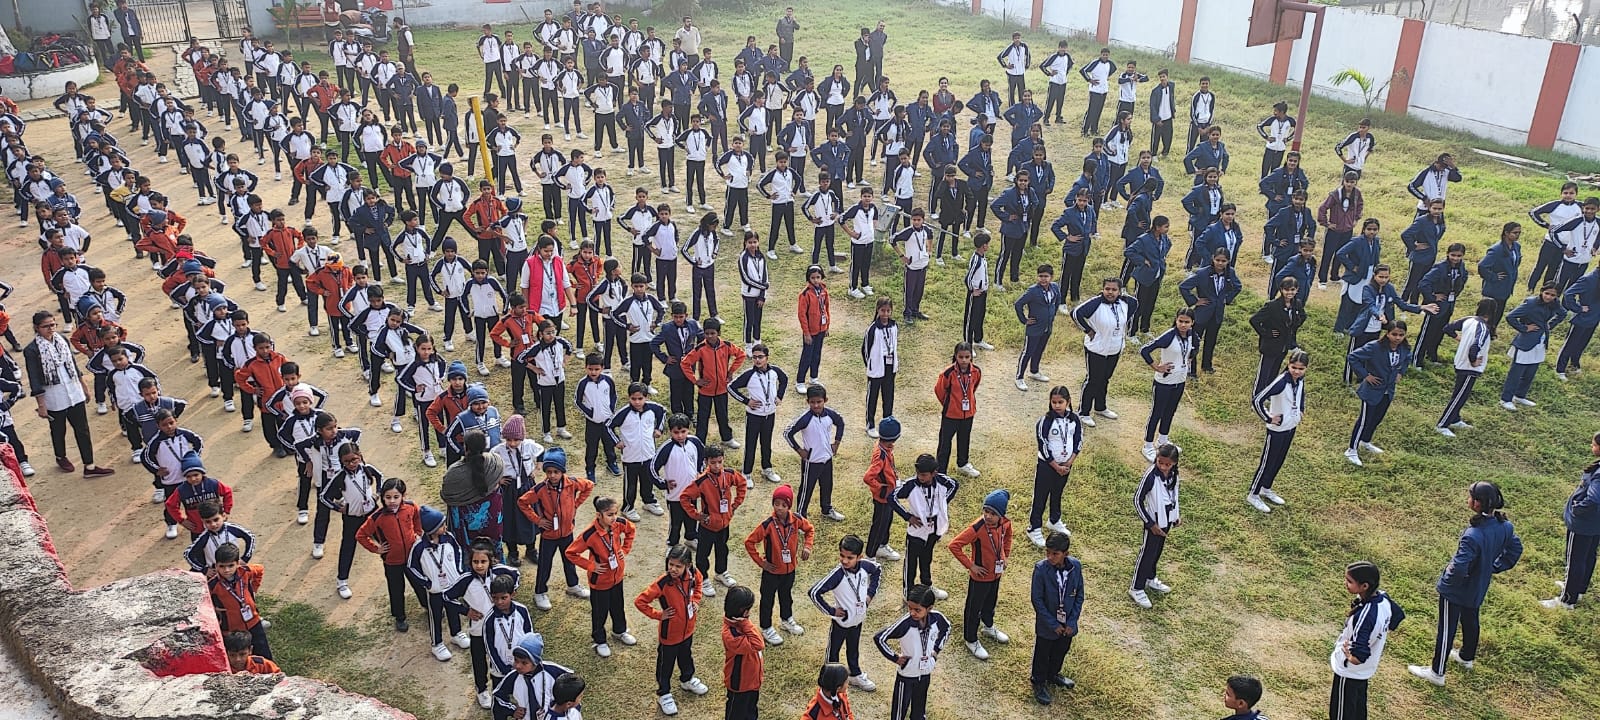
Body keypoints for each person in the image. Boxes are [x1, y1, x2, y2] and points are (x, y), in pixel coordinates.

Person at [1408, 482, 1523, 686]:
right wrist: (1493, 567)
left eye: (1470, 496)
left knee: (1447, 629)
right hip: (1478, 586)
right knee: (1471, 620)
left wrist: (1447, 583)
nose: (1467, 499)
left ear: (1477, 503)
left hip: (1456, 590)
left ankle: (1437, 673)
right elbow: (1515, 549)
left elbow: (1460, 566)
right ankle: (1466, 656)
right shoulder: (1505, 526)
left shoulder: (1473, 535)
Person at [23, 311, 113, 476]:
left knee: (82, 429)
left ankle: (89, 466)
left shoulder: (62, 340)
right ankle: (61, 456)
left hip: (73, 388)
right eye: (45, 326)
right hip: (53, 394)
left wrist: (83, 386)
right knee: (58, 429)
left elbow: (72, 364)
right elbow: (34, 378)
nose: (50, 329)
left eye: (53, 324)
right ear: (37, 328)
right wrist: (41, 404)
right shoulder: (32, 350)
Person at [635, 543, 710, 715]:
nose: (673, 569)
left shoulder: (694, 574)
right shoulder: (663, 583)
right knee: (665, 664)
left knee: (686, 655)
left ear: (688, 565)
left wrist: (696, 600)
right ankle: (664, 693)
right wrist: (658, 615)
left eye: (678, 566)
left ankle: (687, 679)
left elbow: (699, 584)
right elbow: (640, 601)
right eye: (671, 564)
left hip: (688, 629)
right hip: (669, 633)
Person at [1330, 561, 1406, 720]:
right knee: (1358, 708)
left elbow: (1359, 656)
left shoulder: (1364, 616)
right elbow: (1397, 616)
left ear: (1364, 586)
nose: (1345, 583)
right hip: (1365, 670)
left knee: (1341, 713)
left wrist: (1349, 656)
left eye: (1349, 581)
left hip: (1349, 671)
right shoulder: (1383, 599)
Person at [566, 495, 637, 657]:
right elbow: (571, 553)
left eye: (615, 513)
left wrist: (625, 549)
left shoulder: (619, 523)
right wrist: (591, 566)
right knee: (600, 612)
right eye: (609, 515)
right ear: (599, 515)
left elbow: (631, 530)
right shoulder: (589, 534)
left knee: (618, 606)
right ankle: (599, 640)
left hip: (617, 576)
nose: (614, 518)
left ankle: (619, 631)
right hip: (600, 581)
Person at [744, 483, 815, 645]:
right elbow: (749, 542)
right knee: (767, 600)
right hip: (772, 571)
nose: (780, 508)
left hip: (790, 570)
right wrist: (761, 563)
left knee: (786, 595)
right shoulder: (768, 524)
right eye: (776, 504)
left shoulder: (796, 519)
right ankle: (766, 627)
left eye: (784, 505)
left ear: (789, 506)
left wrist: (807, 546)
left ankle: (786, 619)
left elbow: (810, 529)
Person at [809, 535, 882, 692]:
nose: (844, 560)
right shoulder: (838, 574)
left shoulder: (865, 566)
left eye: (850, 558)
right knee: (833, 653)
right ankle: (830, 682)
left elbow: (877, 570)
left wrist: (870, 595)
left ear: (859, 557)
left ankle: (855, 674)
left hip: (858, 620)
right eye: (842, 556)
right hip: (840, 623)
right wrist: (831, 611)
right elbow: (814, 592)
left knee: (853, 649)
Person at [356, 478, 427, 632]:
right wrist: (376, 549)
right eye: (388, 497)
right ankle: (400, 617)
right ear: (383, 497)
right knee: (396, 589)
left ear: (403, 496)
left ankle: (428, 605)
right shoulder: (377, 517)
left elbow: (417, 517)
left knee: (420, 582)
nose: (392, 501)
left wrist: (418, 533)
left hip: (412, 557)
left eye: (396, 497)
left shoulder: (410, 507)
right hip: (392, 561)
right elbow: (361, 535)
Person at [949, 489, 1012, 661]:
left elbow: (1008, 538)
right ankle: (970, 639)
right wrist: (971, 566)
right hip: (980, 577)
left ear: (1001, 515)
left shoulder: (1005, 523)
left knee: (991, 601)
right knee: (973, 608)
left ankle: (988, 626)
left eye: (993, 513)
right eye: (986, 511)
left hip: (996, 574)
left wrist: (1005, 555)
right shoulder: (977, 528)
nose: (988, 516)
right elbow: (954, 545)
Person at [874, 584, 950, 720]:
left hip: (925, 672)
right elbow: (880, 638)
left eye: (917, 610)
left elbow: (947, 628)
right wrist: (895, 657)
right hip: (907, 675)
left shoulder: (937, 619)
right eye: (910, 608)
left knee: (919, 708)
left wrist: (936, 650)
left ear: (929, 608)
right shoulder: (905, 624)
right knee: (899, 710)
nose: (912, 613)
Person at [1345, 321, 1413, 467]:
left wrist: (1401, 372)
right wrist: (1365, 375)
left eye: (1401, 335)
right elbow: (1353, 357)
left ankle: (1366, 441)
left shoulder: (1404, 348)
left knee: (1377, 418)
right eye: (1394, 334)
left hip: (1388, 390)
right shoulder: (1375, 347)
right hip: (1372, 390)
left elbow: (1408, 358)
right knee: (1364, 420)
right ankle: (1351, 449)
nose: (1397, 338)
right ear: (1387, 333)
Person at [1072, 277, 1137, 424]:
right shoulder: (1096, 303)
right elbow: (1076, 313)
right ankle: (1083, 411)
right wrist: (1088, 330)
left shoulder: (1124, 303)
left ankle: (1100, 407)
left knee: (1105, 379)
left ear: (1119, 291)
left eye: (1114, 290)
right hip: (1097, 348)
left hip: (1115, 348)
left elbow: (1135, 303)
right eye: (1107, 289)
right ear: (1103, 289)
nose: (1110, 292)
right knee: (1093, 380)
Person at [1029, 531, 1081, 705]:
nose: (1050, 557)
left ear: (1066, 554)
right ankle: (1038, 681)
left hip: (1067, 623)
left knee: (1061, 650)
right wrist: (1053, 624)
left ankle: (1053, 674)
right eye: (1048, 552)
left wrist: (1072, 622)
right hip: (1047, 624)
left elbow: (1079, 595)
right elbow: (1037, 600)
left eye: (1055, 554)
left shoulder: (1076, 567)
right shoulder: (1041, 569)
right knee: (1043, 653)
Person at [1137, 309, 1196, 462]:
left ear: (1192, 323)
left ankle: (1163, 439)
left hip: (1180, 380)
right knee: (1157, 413)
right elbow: (1144, 350)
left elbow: (1194, 348)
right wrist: (1156, 367)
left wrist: (1189, 359)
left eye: (1187, 322)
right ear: (1176, 320)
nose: (1183, 325)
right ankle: (1148, 445)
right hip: (1164, 382)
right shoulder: (1169, 336)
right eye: (1180, 321)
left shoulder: (1192, 335)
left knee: (1170, 411)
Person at [1500, 281, 1565, 410]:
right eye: (1547, 293)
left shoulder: (1554, 304)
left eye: (1553, 295)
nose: (1549, 297)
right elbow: (1510, 317)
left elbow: (1562, 314)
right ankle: (1506, 399)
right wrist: (1524, 328)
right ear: (1542, 291)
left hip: (1540, 341)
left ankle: (1520, 395)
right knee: (1516, 372)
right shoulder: (1531, 303)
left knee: (1531, 371)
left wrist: (1550, 325)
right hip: (1526, 341)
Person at [783, 384, 845, 520]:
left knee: (827, 486)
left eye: (819, 402)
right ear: (807, 402)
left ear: (825, 400)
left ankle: (827, 509)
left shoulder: (830, 415)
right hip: (811, 462)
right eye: (812, 402)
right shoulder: (805, 418)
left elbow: (841, 423)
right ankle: (800, 516)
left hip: (827, 459)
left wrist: (837, 443)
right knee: (806, 489)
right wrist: (799, 450)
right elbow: (787, 433)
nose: (816, 405)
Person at [1129, 443, 1180, 609]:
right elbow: (1137, 500)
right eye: (1160, 462)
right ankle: (1136, 588)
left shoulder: (1174, 474)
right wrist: (1150, 523)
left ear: (1174, 463)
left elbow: (1173, 495)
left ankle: (1150, 578)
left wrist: (1175, 516)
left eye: (1167, 464)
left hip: (1166, 520)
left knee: (1157, 551)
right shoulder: (1151, 476)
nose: (1163, 467)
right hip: (1154, 522)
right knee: (1147, 553)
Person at [1177, 250, 1241, 374]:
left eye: (1223, 261)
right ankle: (1191, 369)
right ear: (1213, 258)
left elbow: (1238, 286)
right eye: (1218, 260)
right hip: (1202, 314)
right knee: (1194, 342)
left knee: (1211, 341)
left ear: (1228, 261)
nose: (1220, 263)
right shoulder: (1202, 273)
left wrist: (1227, 299)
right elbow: (1183, 287)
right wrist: (1195, 301)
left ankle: (1207, 366)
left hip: (1217, 314)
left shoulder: (1230, 272)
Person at [209, 544, 269, 658]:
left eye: (231, 565)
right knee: (237, 658)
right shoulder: (212, 584)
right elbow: (204, 601)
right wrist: (213, 608)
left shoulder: (245, 571)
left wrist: (254, 590)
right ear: (216, 566)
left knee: (263, 653)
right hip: (231, 630)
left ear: (237, 563)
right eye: (222, 566)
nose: (226, 570)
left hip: (253, 622)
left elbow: (260, 570)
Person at [933, 343, 982, 477]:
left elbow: (974, 387)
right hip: (951, 414)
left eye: (967, 357)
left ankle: (963, 464)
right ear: (956, 356)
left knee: (964, 439)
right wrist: (949, 404)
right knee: (945, 442)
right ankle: (941, 470)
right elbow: (939, 390)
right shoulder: (948, 373)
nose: (964, 360)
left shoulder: (976, 371)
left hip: (968, 413)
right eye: (961, 357)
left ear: (971, 356)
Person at [1012, 265, 1062, 391]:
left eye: (1046, 276)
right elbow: (1018, 304)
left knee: (1039, 349)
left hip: (1047, 326)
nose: (1043, 279)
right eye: (1041, 276)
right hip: (1034, 328)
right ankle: (1019, 377)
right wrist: (1024, 320)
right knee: (1028, 352)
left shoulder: (1055, 287)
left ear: (1051, 277)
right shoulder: (1033, 291)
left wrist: (1052, 315)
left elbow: (1057, 301)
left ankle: (1034, 371)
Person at [722, 584, 764, 719]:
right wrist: (746, 623)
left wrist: (744, 623)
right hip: (739, 684)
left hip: (752, 681)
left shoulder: (740, 625)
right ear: (743, 611)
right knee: (736, 714)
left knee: (751, 712)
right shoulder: (731, 634)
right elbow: (758, 643)